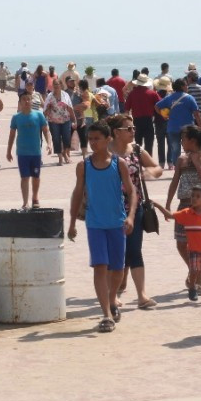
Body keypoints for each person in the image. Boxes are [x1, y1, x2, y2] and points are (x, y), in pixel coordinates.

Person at [67, 121, 137, 333]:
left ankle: (112, 299)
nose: (93, 142)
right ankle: (106, 314)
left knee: (117, 269)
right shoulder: (84, 166)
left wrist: (131, 217)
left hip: (117, 223)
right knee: (100, 266)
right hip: (95, 224)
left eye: (97, 138)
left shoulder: (119, 164)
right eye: (90, 138)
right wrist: (71, 223)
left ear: (109, 140)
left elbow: (132, 192)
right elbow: (77, 194)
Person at [105, 114, 163, 310]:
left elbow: (157, 167)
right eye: (128, 129)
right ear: (116, 132)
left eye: (133, 129)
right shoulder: (105, 152)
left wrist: (149, 173)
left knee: (135, 250)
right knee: (115, 254)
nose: (132, 132)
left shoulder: (136, 150)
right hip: (110, 210)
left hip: (134, 208)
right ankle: (113, 294)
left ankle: (142, 295)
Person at [164, 125, 201, 292]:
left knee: (200, 245)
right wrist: (168, 202)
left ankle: (197, 276)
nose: (181, 142)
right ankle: (194, 269)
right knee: (181, 243)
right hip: (184, 205)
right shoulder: (181, 160)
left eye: (183, 139)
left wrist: (196, 163)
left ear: (192, 141)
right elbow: (175, 182)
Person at [156, 185, 201, 302]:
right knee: (194, 271)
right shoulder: (186, 213)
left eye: (198, 196)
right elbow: (170, 215)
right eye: (192, 196)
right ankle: (192, 289)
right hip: (194, 251)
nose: (194, 198)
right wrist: (157, 205)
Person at [7, 92, 51, 208]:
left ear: (32, 101)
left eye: (29, 99)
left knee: (36, 177)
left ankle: (35, 197)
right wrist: (8, 151)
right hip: (22, 153)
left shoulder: (39, 115)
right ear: (20, 103)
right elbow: (11, 135)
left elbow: (46, 131)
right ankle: (25, 202)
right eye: (24, 100)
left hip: (36, 152)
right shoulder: (16, 117)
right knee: (24, 177)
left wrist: (49, 144)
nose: (27, 101)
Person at [155, 78, 201, 166]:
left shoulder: (169, 97)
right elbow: (196, 114)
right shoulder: (189, 98)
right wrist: (200, 126)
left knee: (175, 149)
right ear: (182, 87)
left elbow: (157, 106)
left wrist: (163, 116)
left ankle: (177, 168)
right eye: (185, 85)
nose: (187, 86)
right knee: (190, 148)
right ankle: (190, 166)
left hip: (173, 127)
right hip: (188, 129)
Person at [124, 73, 160, 158]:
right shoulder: (152, 93)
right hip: (148, 121)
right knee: (149, 145)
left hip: (136, 121)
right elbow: (159, 106)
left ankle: (138, 162)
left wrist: (126, 123)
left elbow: (126, 110)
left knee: (138, 144)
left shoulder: (132, 94)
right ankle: (148, 161)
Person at [44, 80, 76, 166]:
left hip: (66, 120)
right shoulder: (49, 96)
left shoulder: (65, 95)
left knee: (67, 139)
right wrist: (48, 108)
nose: (56, 86)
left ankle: (65, 153)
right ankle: (60, 158)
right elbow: (45, 112)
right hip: (53, 121)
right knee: (56, 139)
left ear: (61, 85)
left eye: (58, 84)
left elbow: (70, 108)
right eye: (54, 85)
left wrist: (74, 120)